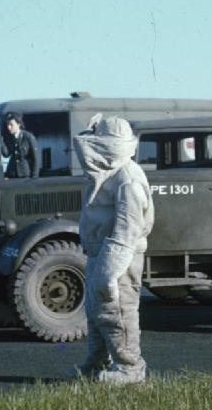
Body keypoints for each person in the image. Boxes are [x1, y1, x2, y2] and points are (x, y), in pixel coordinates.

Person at [73, 114, 155, 384]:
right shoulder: (110, 172)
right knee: (97, 312)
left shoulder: (127, 178)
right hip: (102, 252)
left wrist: (108, 273)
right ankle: (98, 362)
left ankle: (130, 368)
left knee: (118, 310)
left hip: (119, 256)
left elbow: (127, 231)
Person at [0, 112, 40, 178]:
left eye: (11, 125)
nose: (8, 127)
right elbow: (6, 154)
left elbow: (35, 158)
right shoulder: (10, 137)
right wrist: (1, 142)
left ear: (18, 124)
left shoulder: (28, 137)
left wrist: (34, 176)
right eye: (7, 124)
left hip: (24, 175)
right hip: (12, 174)